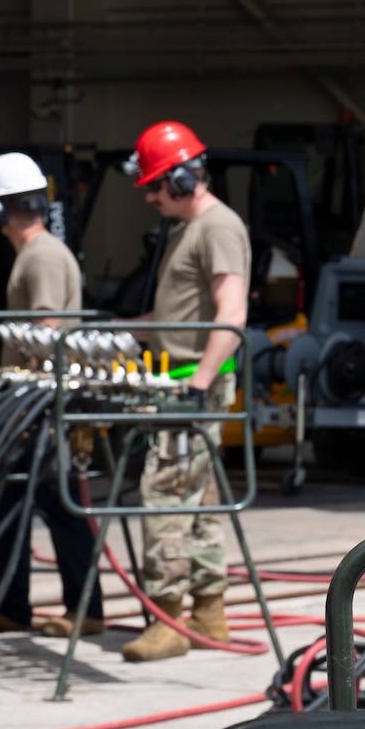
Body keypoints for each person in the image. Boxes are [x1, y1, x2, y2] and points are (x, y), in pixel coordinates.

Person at [0, 153, 104, 639]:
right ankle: (12, 606)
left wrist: (19, 403)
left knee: (60, 509)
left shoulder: (40, 257)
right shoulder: (42, 254)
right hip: (31, 407)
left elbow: (46, 332)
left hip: (40, 409)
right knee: (12, 507)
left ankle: (85, 609)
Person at [121, 121, 250, 664]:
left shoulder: (217, 228)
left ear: (181, 177)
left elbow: (232, 313)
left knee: (165, 495)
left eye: (155, 187)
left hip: (194, 380)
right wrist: (122, 331)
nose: (151, 198)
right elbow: (176, 318)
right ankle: (209, 614)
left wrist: (199, 382)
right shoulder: (186, 231)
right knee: (200, 500)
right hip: (180, 374)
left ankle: (168, 619)